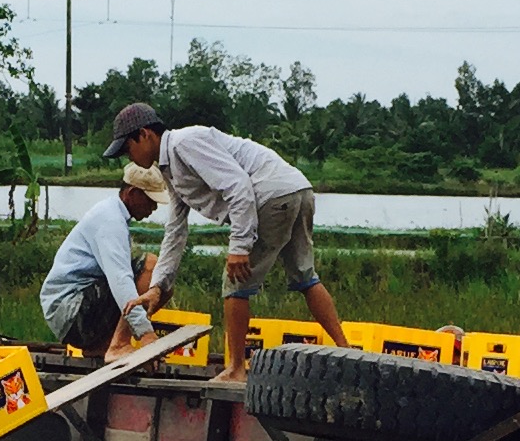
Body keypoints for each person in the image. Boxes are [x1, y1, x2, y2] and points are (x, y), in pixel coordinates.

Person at [103, 100, 351, 374]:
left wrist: (240, 247)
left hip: (271, 195)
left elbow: (238, 185)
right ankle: (345, 350)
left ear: (145, 134)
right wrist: (157, 287)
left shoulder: (183, 144)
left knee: (235, 281)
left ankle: (235, 370)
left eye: (129, 148)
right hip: (297, 190)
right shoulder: (170, 168)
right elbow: (175, 229)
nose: (130, 157)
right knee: (305, 277)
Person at [39, 164, 167, 358]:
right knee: (152, 267)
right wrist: (145, 333)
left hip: (70, 312)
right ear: (132, 193)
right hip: (71, 311)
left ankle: (102, 347)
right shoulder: (110, 220)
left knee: (162, 280)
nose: (154, 207)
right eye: (150, 200)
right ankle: (119, 344)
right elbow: (120, 279)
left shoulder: (112, 213)